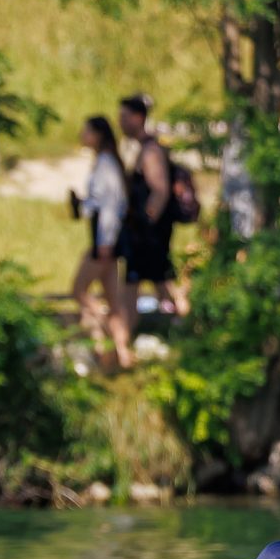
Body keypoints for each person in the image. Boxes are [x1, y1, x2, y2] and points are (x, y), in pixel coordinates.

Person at [113, 93, 187, 325]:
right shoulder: (141, 148)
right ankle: (170, 322)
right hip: (145, 232)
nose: (121, 122)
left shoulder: (151, 151)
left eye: (125, 117)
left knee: (158, 280)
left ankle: (178, 321)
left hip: (150, 233)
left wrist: (146, 222)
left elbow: (160, 191)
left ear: (138, 117)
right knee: (154, 280)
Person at [68, 116, 132, 368]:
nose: (82, 135)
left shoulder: (105, 164)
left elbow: (109, 207)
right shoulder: (106, 162)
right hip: (107, 239)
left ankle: (104, 337)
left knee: (79, 290)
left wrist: (104, 242)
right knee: (113, 299)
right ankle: (122, 354)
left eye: (86, 131)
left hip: (103, 240)